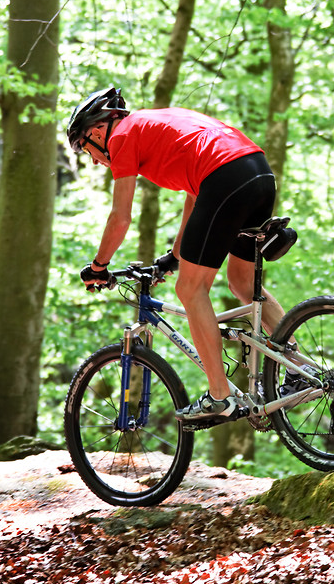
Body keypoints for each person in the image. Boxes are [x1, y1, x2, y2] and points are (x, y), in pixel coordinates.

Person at [66, 87, 288, 423]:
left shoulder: (122, 137)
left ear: (97, 131)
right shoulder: (157, 123)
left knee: (190, 289)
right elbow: (195, 195)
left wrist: (99, 266)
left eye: (87, 150)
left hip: (224, 178)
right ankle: (298, 368)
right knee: (241, 284)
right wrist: (175, 256)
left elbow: (121, 217)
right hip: (257, 173)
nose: (95, 160)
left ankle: (220, 396)